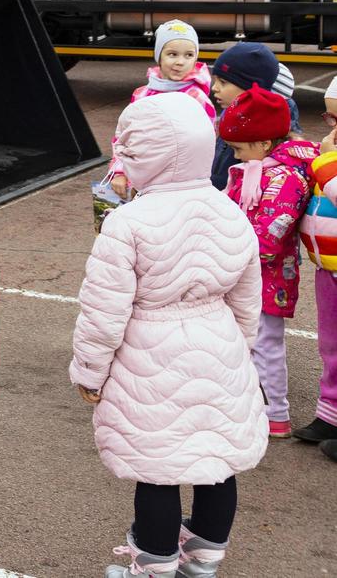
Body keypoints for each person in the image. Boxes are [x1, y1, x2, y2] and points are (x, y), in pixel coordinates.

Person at [71, 92, 267, 578]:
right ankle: (203, 561)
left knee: (157, 469)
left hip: (149, 353)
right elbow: (247, 293)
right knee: (216, 463)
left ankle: (152, 567)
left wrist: (90, 372)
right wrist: (241, 347)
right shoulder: (229, 211)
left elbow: (103, 309)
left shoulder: (127, 223)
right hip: (218, 345)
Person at [219, 85, 316, 438]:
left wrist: (224, 245)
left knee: (267, 344)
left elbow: (269, 236)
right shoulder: (258, 170)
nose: (235, 156)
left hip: (267, 277)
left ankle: (276, 412)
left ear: (263, 144)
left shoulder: (284, 178)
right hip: (246, 273)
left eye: (239, 149)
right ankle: (248, 402)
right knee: (243, 341)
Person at [107, 19, 214, 200]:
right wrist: (120, 171)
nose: (180, 62)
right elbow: (124, 136)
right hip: (141, 178)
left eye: (189, 55)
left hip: (179, 183)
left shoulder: (197, 98)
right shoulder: (142, 94)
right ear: (159, 55)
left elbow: (205, 145)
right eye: (172, 54)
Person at [295, 78, 337, 456]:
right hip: (328, 268)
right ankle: (331, 413)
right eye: (330, 118)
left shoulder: (331, 158)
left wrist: (324, 160)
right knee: (330, 344)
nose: (334, 129)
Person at [208, 42, 298, 189]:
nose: (214, 88)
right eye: (215, 80)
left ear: (252, 89)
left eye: (223, 82)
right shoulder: (231, 113)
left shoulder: (257, 130)